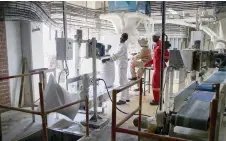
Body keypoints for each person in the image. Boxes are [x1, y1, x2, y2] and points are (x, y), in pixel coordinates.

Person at [144, 32, 169, 105]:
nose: (152, 38)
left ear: (157, 37)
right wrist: (149, 62)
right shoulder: (156, 46)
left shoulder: (161, 45)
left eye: (153, 36)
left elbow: (167, 57)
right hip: (157, 68)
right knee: (157, 84)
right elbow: (155, 58)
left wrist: (162, 56)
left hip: (160, 68)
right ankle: (159, 99)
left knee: (156, 85)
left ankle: (157, 100)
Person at [111, 33, 130, 105]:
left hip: (122, 65)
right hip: (122, 64)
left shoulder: (123, 46)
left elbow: (118, 54)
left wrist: (111, 59)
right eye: (121, 37)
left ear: (125, 39)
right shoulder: (122, 45)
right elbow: (118, 54)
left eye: (122, 38)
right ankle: (127, 97)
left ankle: (122, 99)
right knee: (125, 80)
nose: (121, 39)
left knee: (122, 81)